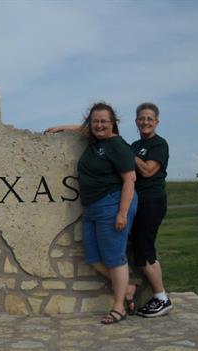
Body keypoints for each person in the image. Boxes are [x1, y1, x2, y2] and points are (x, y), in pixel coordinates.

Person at [46, 102, 138, 324]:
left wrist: (122, 213)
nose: (99, 125)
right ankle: (127, 288)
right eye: (95, 121)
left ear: (113, 123)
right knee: (93, 257)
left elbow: (130, 179)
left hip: (113, 204)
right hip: (93, 207)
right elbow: (83, 130)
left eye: (104, 121)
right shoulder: (96, 141)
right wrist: (60, 127)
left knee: (115, 258)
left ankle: (119, 307)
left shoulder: (117, 145)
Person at [131, 102, 171, 317]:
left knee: (145, 249)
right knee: (141, 247)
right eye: (141, 118)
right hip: (138, 201)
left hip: (152, 201)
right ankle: (158, 296)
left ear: (156, 122)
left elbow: (147, 171)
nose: (145, 122)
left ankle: (162, 298)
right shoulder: (135, 144)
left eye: (149, 118)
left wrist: (129, 155)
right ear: (136, 121)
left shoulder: (159, 144)